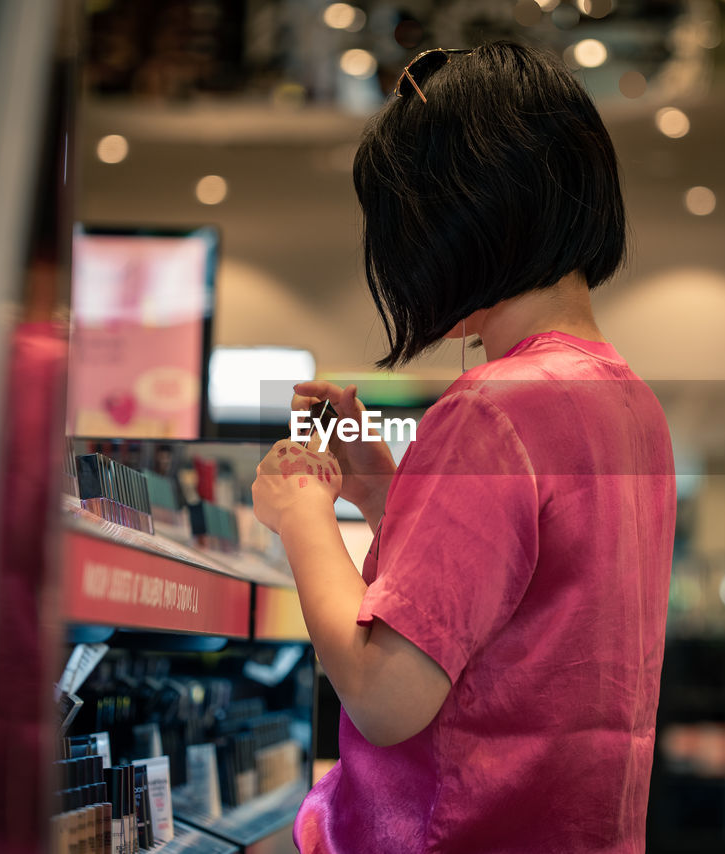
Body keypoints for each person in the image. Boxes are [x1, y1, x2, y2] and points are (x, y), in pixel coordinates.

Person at [251, 41, 675, 853]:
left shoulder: (493, 406)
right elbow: (529, 609)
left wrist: (302, 513)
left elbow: (384, 693)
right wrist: (386, 492)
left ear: (465, 218)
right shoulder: (631, 406)